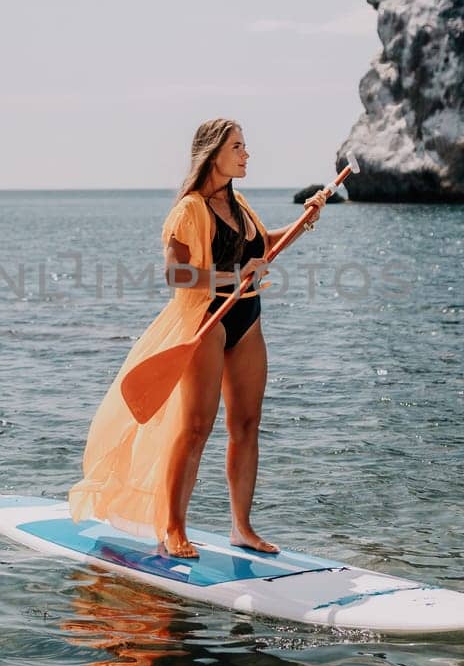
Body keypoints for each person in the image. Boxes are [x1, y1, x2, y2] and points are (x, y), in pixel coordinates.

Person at [69, 118, 331, 559]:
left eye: (246, 146)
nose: (247, 154)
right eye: (238, 147)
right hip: (205, 321)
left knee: (246, 425)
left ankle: (242, 528)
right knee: (194, 429)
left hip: (247, 319)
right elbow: (175, 272)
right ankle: (173, 528)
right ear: (213, 153)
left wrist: (304, 222)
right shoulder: (188, 210)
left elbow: (262, 246)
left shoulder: (241, 204)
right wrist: (233, 275)